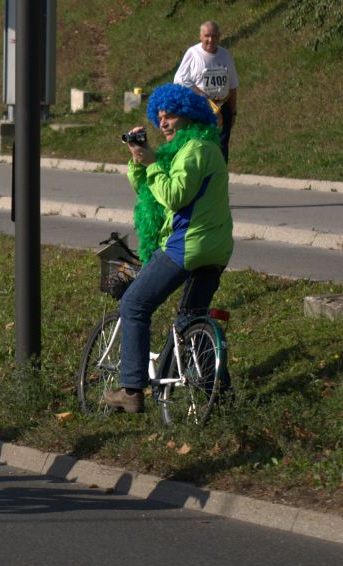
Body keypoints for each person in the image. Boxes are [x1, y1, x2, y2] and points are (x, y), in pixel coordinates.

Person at [103, 83, 233, 414]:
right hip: (215, 250)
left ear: (189, 115)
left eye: (170, 115)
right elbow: (150, 192)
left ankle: (131, 388)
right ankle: (219, 395)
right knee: (193, 318)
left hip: (188, 245)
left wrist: (151, 164)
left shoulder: (196, 151)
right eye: (159, 117)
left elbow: (175, 196)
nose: (163, 123)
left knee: (134, 303)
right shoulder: (192, 149)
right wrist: (139, 159)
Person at [173, 20, 239, 163]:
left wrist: (233, 111)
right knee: (201, 146)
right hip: (201, 109)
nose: (210, 40)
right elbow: (179, 80)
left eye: (214, 36)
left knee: (222, 147)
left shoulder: (225, 55)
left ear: (219, 36)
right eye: (207, 36)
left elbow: (233, 85)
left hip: (222, 108)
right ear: (200, 36)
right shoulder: (193, 53)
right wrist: (200, 94)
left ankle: (220, 178)